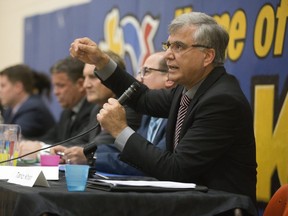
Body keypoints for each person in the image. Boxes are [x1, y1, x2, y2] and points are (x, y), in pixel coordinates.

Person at [70, 11, 257, 205]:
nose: (168, 55)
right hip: (190, 203)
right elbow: (142, 98)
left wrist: (120, 130)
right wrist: (100, 61)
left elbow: (176, 169)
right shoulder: (189, 89)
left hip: (220, 207)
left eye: (178, 47)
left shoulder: (222, 101)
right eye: (168, 46)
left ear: (207, 56)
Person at [49, 50, 141, 164]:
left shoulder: (128, 108)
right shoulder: (97, 108)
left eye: (93, 77)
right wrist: (62, 149)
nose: (86, 85)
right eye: (85, 77)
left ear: (113, 77)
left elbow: (103, 144)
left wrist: (75, 152)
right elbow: (81, 139)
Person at [39, 56, 94, 143]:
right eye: (54, 86)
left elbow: (76, 145)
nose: (55, 92)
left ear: (80, 84)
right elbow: (49, 138)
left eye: (60, 85)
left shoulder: (93, 111)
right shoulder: (66, 113)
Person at [0, 64, 55, 139]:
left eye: (3, 86)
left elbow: (11, 137)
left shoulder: (33, 108)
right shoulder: (10, 109)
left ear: (18, 87)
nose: (0, 90)